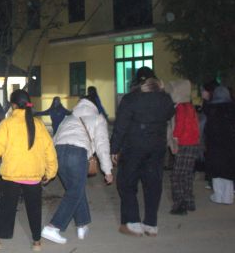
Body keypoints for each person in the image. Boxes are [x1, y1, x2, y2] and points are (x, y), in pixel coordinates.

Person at [0, 89, 58, 252]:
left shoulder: (7, 124)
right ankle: (37, 243)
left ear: (13, 105)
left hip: (12, 175)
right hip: (34, 175)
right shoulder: (38, 124)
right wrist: (50, 172)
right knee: (34, 209)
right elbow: (50, 151)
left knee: (6, 207)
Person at [110, 67, 174, 237]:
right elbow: (170, 115)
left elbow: (120, 126)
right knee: (153, 185)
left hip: (133, 148)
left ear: (136, 82)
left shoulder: (130, 99)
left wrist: (114, 149)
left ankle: (132, 223)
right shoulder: (165, 98)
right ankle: (151, 224)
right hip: (157, 149)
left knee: (127, 183)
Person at [41, 96, 113, 245]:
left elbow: (54, 139)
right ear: (94, 105)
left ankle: (82, 225)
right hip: (77, 153)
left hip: (59, 152)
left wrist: (49, 167)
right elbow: (102, 145)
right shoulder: (97, 118)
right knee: (75, 191)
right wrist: (107, 170)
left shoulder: (68, 118)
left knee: (75, 189)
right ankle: (53, 227)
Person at [166, 80, 200, 215]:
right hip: (193, 143)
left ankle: (180, 205)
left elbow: (179, 125)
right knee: (187, 175)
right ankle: (189, 201)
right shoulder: (190, 106)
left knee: (177, 176)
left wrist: (174, 138)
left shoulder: (180, 107)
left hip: (184, 144)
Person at [204, 86, 235, 205]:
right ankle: (228, 197)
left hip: (214, 143)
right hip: (229, 143)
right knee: (228, 170)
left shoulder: (210, 108)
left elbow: (206, 127)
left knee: (216, 170)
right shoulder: (233, 108)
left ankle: (218, 196)